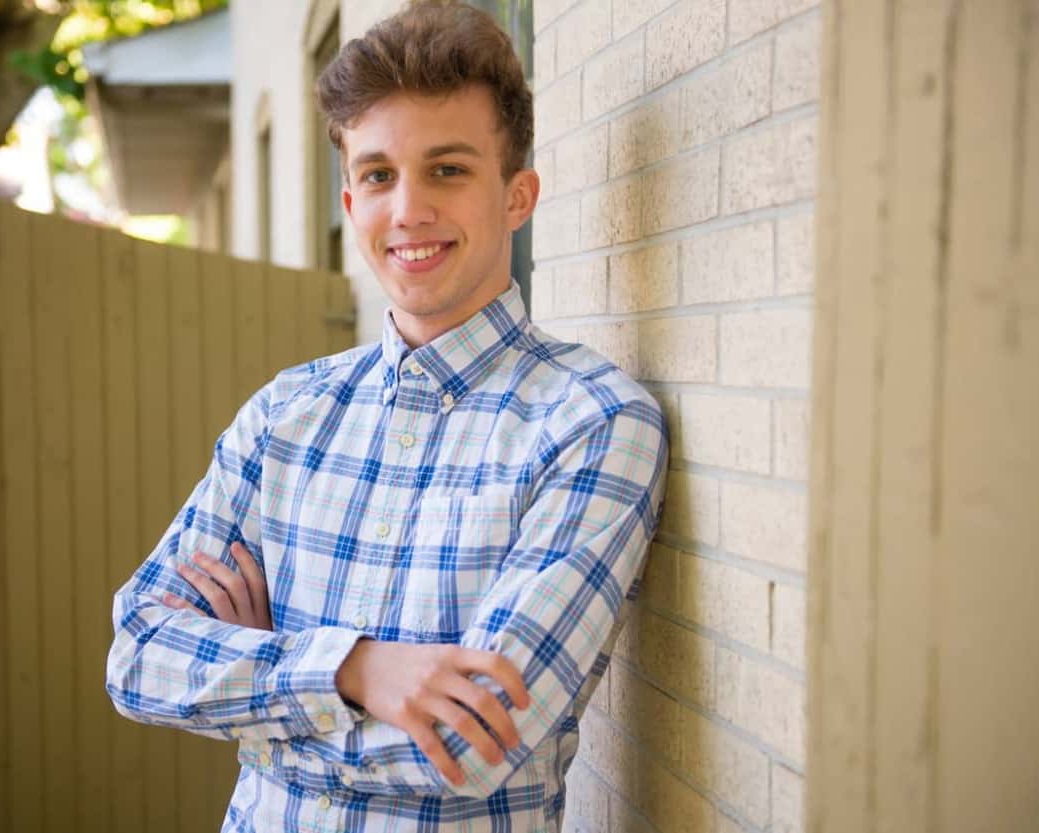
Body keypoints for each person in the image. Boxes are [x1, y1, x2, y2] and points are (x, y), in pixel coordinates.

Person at [105, 2, 669, 830]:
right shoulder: (284, 416)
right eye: (378, 175)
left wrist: (258, 685)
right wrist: (354, 670)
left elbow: (472, 742)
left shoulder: (592, 423)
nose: (407, 210)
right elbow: (139, 656)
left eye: (447, 170)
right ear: (349, 200)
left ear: (518, 197)